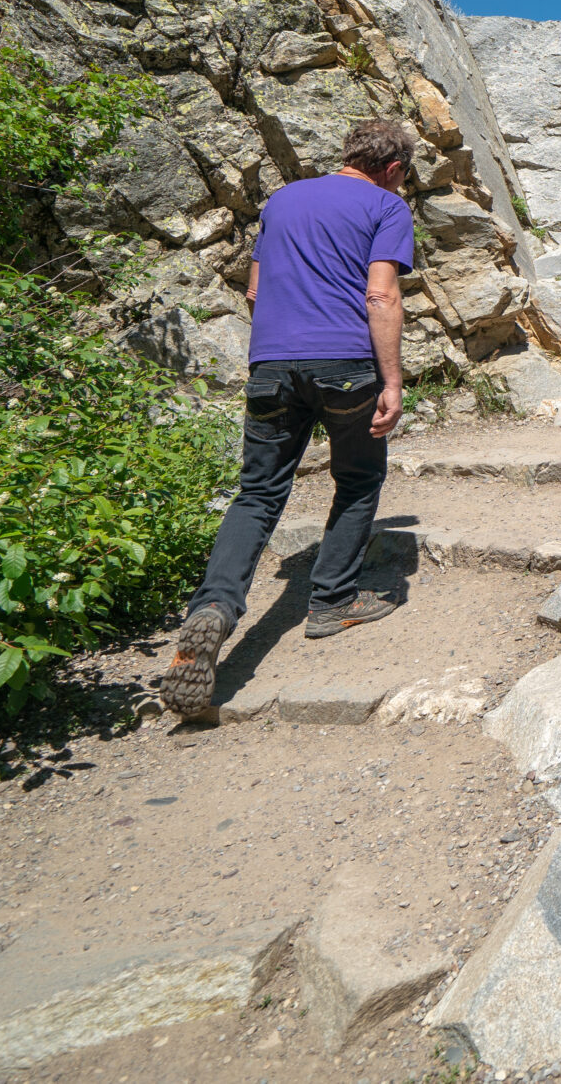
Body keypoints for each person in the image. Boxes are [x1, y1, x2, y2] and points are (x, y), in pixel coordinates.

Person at [157, 118, 416, 717]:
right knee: (356, 479)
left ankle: (213, 609)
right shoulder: (386, 206)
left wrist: (282, 348)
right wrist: (393, 382)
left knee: (257, 495)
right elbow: (380, 295)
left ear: (348, 152)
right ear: (395, 169)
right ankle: (331, 601)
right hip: (346, 363)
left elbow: (253, 290)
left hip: (272, 361)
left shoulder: (283, 199)